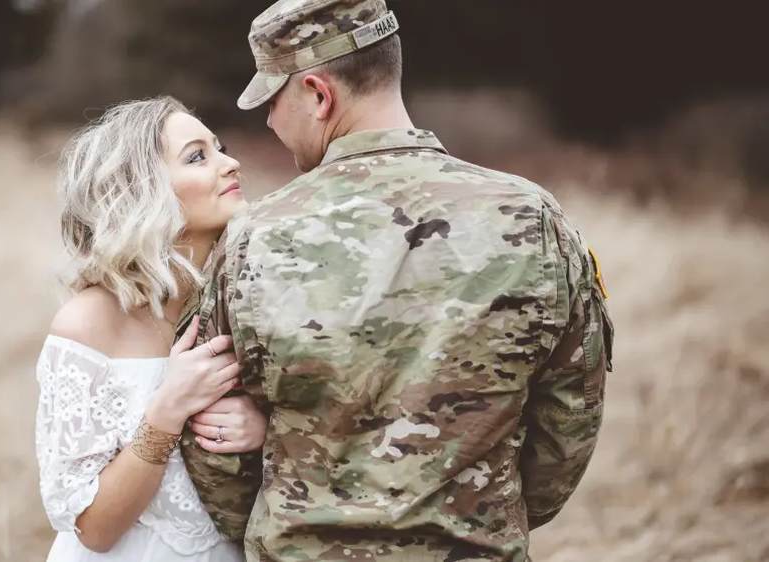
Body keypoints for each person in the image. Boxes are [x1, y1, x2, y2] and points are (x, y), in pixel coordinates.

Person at [174, 0, 617, 560]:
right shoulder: (534, 219)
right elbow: (568, 422)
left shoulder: (253, 238)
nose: (268, 121)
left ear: (317, 93)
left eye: (273, 100)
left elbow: (213, 441)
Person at [34, 95, 270, 562]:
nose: (231, 163)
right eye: (198, 156)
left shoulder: (254, 297)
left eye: (219, 148)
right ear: (141, 191)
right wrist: (167, 410)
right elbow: (94, 530)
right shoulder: (89, 324)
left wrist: (265, 429)